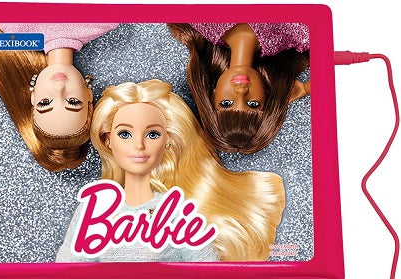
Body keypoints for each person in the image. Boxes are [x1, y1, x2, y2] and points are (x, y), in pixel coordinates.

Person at [56, 79, 285, 262]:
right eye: (125, 134)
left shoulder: (177, 212)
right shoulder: (96, 207)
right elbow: (67, 271)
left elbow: (207, 273)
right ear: (107, 139)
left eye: (152, 134)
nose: (139, 145)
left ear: (167, 141)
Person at [0, 22, 118, 171]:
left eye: (45, 103)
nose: (59, 88)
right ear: (89, 94)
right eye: (72, 101)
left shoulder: (11, 26)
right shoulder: (105, 21)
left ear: (33, 96)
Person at [168, 23, 310, 154]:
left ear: (213, 96)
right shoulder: (301, 37)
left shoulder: (200, 22)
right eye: (253, 104)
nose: (241, 91)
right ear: (266, 95)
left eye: (226, 103)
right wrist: (302, 89)